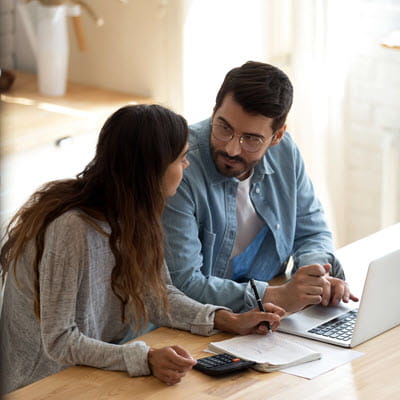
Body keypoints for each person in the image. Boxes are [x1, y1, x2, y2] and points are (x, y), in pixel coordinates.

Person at [0, 104, 285, 393]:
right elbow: (59, 340)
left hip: (93, 372)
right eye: (181, 159)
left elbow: (156, 296)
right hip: (42, 385)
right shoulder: (72, 228)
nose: (187, 166)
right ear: (151, 169)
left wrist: (226, 319)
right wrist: (144, 358)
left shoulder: (138, 214)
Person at [163, 61, 358, 314]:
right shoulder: (179, 165)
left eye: (251, 139)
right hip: (202, 320)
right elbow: (183, 284)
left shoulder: (285, 151)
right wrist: (275, 296)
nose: (232, 148)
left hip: (269, 316)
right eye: (224, 128)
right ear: (214, 112)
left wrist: (313, 277)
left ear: (277, 136)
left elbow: (311, 232)